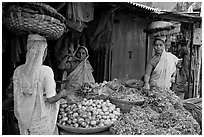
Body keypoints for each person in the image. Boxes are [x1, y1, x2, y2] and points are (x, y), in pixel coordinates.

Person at [13, 34, 72, 135]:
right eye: (45, 51)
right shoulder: (46, 70)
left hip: (24, 120)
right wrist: (62, 94)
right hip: (41, 122)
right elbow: (51, 99)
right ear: (41, 52)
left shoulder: (18, 70)